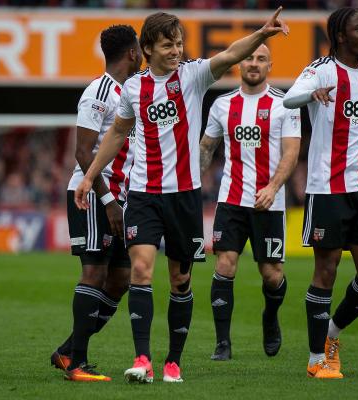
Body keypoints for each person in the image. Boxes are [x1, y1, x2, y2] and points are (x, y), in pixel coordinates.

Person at [74, 9, 289, 384]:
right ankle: (142, 359)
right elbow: (118, 133)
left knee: (179, 281)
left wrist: (260, 34)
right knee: (140, 270)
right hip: (142, 194)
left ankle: (173, 361)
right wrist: (90, 175)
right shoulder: (134, 88)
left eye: (179, 43)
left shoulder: (192, 75)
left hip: (184, 197)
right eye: (167, 45)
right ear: (147, 48)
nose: (176, 50)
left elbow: (231, 54)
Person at [283, 7, 358, 379]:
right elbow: (289, 98)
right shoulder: (321, 69)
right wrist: (312, 94)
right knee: (326, 270)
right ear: (340, 36)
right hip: (328, 188)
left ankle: (331, 334)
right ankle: (316, 360)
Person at [50, 24, 143, 382]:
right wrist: (106, 200)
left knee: (120, 278)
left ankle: (67, 351)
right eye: (140, 49)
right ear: (132, 53)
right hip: (92, 197)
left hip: (121, 199)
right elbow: (82, 151)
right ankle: (77, 365)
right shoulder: (99, 91)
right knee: (94, 272)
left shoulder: (131, 91)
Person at [199, 44, 300, 361]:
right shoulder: (222, 105)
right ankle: (222, 343)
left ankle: (270, 318)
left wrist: (272, 186)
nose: (253, 64)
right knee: (225, 265)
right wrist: (187, 181)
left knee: (271, 274)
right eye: (248, 59)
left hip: (269, 201)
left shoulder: (285, 104)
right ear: (238, 65)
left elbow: (291, 152)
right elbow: (206, 148)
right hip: (230, 199)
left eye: (260, 59)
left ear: (270, 65)